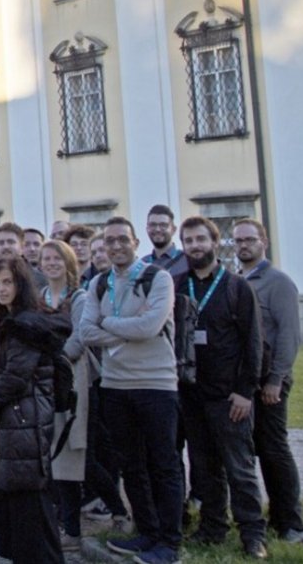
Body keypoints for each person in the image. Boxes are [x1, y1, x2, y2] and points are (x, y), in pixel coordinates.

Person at [79, 216, 183, 564]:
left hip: (155, 384)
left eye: (122, 239)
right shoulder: (98, 284)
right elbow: (85, 333)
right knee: (132, 465)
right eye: (109, 240)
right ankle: (147, 531)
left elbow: (152, 326)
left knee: (164, 464)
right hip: (115, 384)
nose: (116, 245)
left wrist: (107, 323)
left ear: (135, 242)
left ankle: (169, 541)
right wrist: (127, 329)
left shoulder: (158, 278)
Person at [173, 216, 266, 558]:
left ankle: (253, 535)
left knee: (239, 468)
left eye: (201, 239)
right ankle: (212, 527)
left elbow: (254, 344)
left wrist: (246, 391)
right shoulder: (177, 284)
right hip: (190, 393)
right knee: (203, 466)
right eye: (189, 240)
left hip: (229, 395)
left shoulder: (236, 287)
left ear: (214, 242)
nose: (195, 246)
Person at [0, 256, 68, 564]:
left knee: (31, 504)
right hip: (14, 418)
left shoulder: (26, 324)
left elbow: (15, 374)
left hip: (26, 418)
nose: (1, 289)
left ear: (21, 285)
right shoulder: (10, 320)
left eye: (8, 282)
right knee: (16, 503)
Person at [233, 218, 303, 545]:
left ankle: (291, 523)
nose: (243, 246)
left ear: (263, 241)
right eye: (237, 241)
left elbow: (289, 335)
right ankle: (260, 516)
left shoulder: (278, 282)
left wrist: (276, 379)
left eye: (249, 239)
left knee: (273, 449)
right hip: (243, 379)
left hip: (269, 380)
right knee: (247, 450)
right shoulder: (236, 280)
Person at [42, 239, 94, 550]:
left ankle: (73, 530)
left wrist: (55, 358)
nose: (51, 263)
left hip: (73, 380)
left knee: (71, 456)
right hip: (46, 381)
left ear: (69, 263)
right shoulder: (40, 297)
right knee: (51, 455)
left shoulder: (80, 297)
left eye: (57, 258)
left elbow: (82, 334)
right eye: (46, 258)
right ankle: (58, 523)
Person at [143, 205, 187, 277]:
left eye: (163, 225)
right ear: (147, 228)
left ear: (173, 229)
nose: (157, 229)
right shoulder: (143, 263)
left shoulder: (186, 261)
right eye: (153, 225)